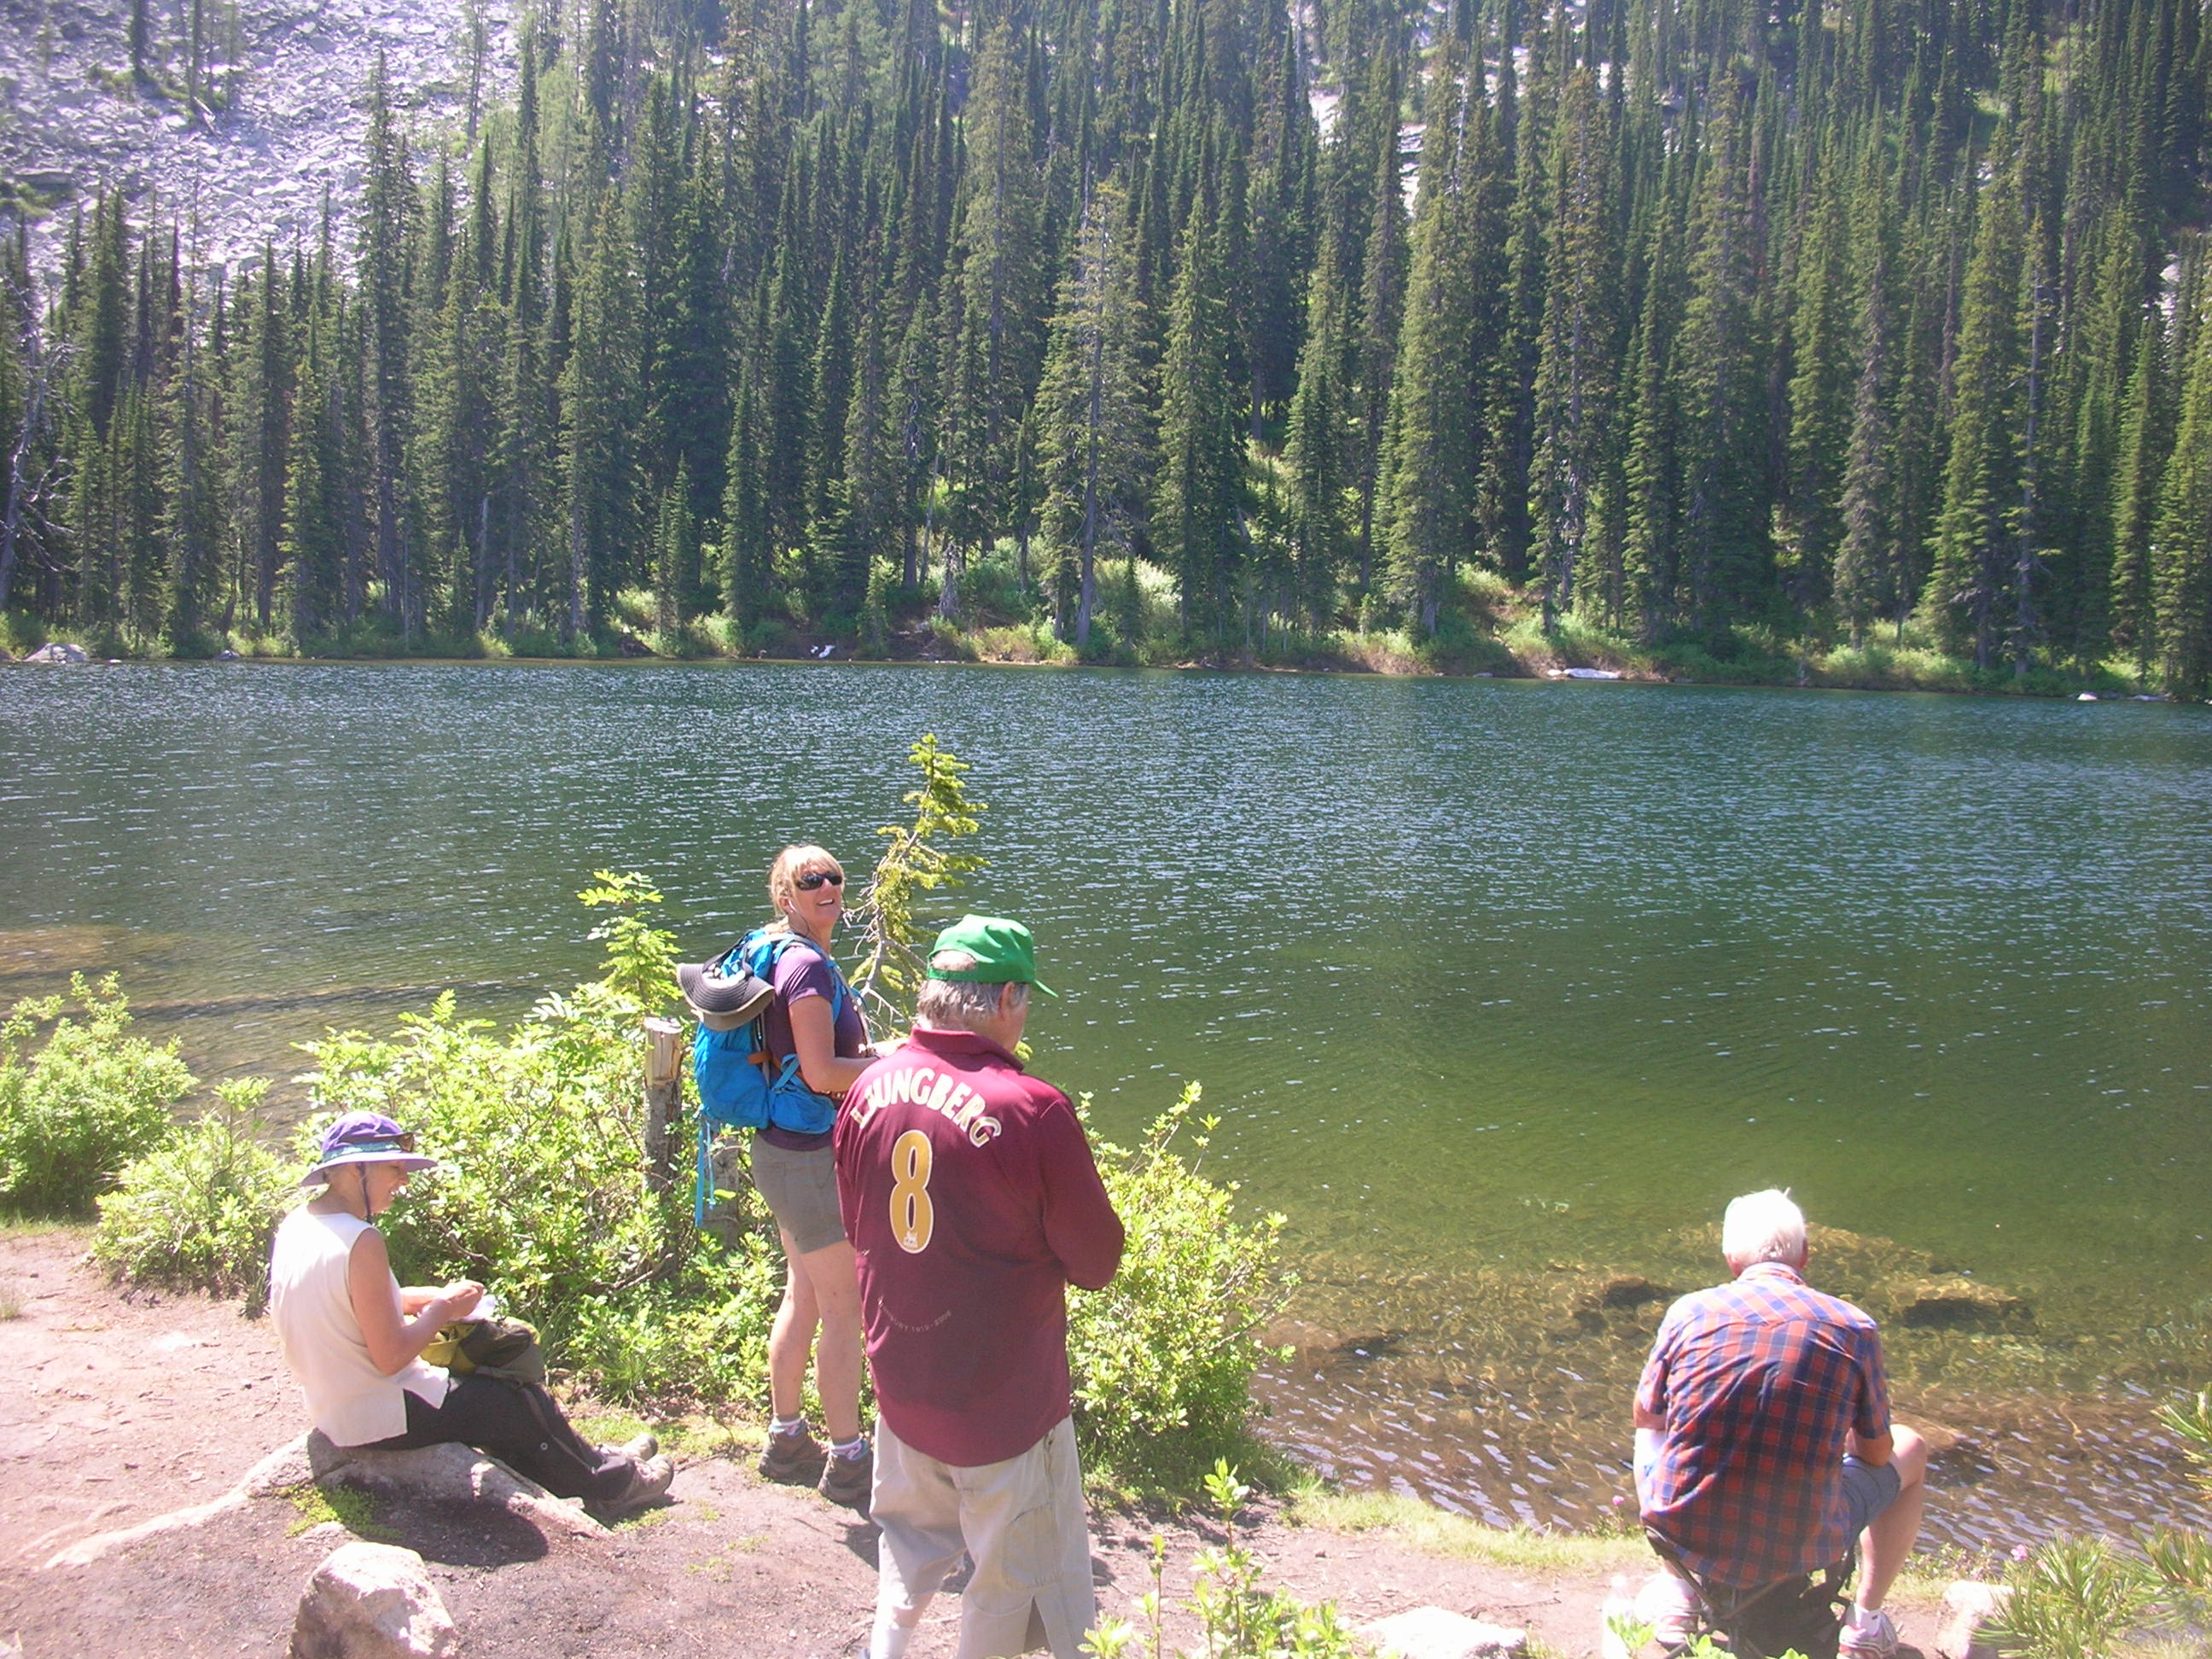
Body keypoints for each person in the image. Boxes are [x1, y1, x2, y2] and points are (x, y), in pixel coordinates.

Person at [835, 914, 1126, 1659]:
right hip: (1005, 1406)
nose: (1024, 1018)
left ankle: (882, 1652)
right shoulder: (1030, 1108)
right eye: (1024, 1001)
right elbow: (1097, 1263)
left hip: (901, 1385)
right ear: (1003, 999)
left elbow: (859, 1222)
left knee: (906, 1546)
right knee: (1014, 1581)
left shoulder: (868, 1088)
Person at [267, 1111, 672, 1514]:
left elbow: (345, 1299)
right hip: (377, 1414)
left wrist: (427, 1298)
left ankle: (597, 1461)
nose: (404, 1180)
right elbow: (390, 1357)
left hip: (335, 1405)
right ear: (356, 1169)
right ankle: (612, 1485)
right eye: (394, 1168)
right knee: (511, 1401)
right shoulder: (363, 1239)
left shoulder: (301, 1224)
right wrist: (444, 1309)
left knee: (497, 1400)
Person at [1633, 1189, 1930, 1659]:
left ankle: (1679, 1595)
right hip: (1805, 1536)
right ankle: (1865, 1624)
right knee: (1910, 1447)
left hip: (1690, 1527)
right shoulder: (1854, 1327)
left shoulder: (1688, 1313)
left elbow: (1648, 1416)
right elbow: (1876, 1453)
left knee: (1652, 1428)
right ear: (1805, 1255)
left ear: (1731, 1259)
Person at [685, 843, 881, 1505]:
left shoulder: (778, 950)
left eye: (835, 876)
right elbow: (822, 1074)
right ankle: (849, 1459)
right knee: (844, 1311)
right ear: (785, 896)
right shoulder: (807, 969)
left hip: (781, 1150)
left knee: (803, 1295)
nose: (827, 886)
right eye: (810, 879)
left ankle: (787, 1438)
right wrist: (896, 1066)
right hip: (808, 1160)